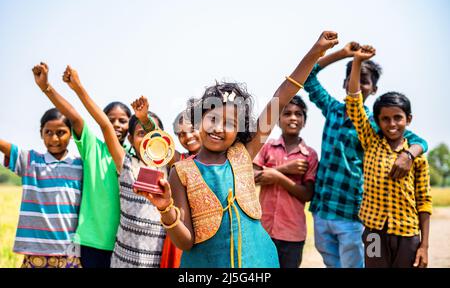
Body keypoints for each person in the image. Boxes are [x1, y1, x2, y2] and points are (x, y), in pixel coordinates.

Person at [138, 31, 340, 268]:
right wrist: (165, 209)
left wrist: (314, 52)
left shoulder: (244, 153)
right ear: (199, 120)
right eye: (212, 118)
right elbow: (185, 242)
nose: (218, 128)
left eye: (230, 124)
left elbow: (281, 98)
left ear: (240, 130)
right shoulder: (181, 172)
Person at [303, 43, 429, 268]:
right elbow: (308, 77)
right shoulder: (332, 109)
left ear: (374, 88)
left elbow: (419, 141)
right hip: (322, 208)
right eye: (353, 78)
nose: (359, 85)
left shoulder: (375, 126)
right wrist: (344, 54)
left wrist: (409, 154)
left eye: (365, 80)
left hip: (352, 212)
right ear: (345, 83)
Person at [32, 62, 131, 268]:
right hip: (91, 242)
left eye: (122, 120)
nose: (116, 125)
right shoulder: (92, 147)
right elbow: (74, 116)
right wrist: (46, 87)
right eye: (110, 120)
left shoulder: (135, 157)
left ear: (131, 125)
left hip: (126, 243)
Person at [345, 45, 432, 268]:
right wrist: (356, 62)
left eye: (398, 118)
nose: (392, 124)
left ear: (408, 119)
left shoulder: (418, 158)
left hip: (407, 235)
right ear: (377, 120)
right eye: (385, 119)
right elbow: (354, 102)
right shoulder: (371, 141)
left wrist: (424, 246)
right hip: (374, 232)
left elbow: (424, 202)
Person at [0, 66, 83, 268]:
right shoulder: (31, 162)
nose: (54, 138)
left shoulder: (81, 166)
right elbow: (5, 146)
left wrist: (46, 87)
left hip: (70, 252)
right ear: (41, 133)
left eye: (61, 132)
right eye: (48, 132)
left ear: (71, 134)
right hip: (35, 253)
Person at [253, 95, 318, 268]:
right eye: (287, 113)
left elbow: (307, 194)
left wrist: (276, 177)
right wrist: (284, 170)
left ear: (304, 121)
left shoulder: (309, 155)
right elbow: (251, 177)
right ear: (278, 121)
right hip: (264, 230)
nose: (293, 118)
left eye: (298, 114)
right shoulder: (267, 147)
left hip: (292, 233)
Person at [160, 106, 202, 268]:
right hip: (183, 230)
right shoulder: (180, 160)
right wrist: (144, 120)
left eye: (193, 130)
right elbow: (160, 141)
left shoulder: (218, 157)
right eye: (181, 134)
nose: (188, 136)